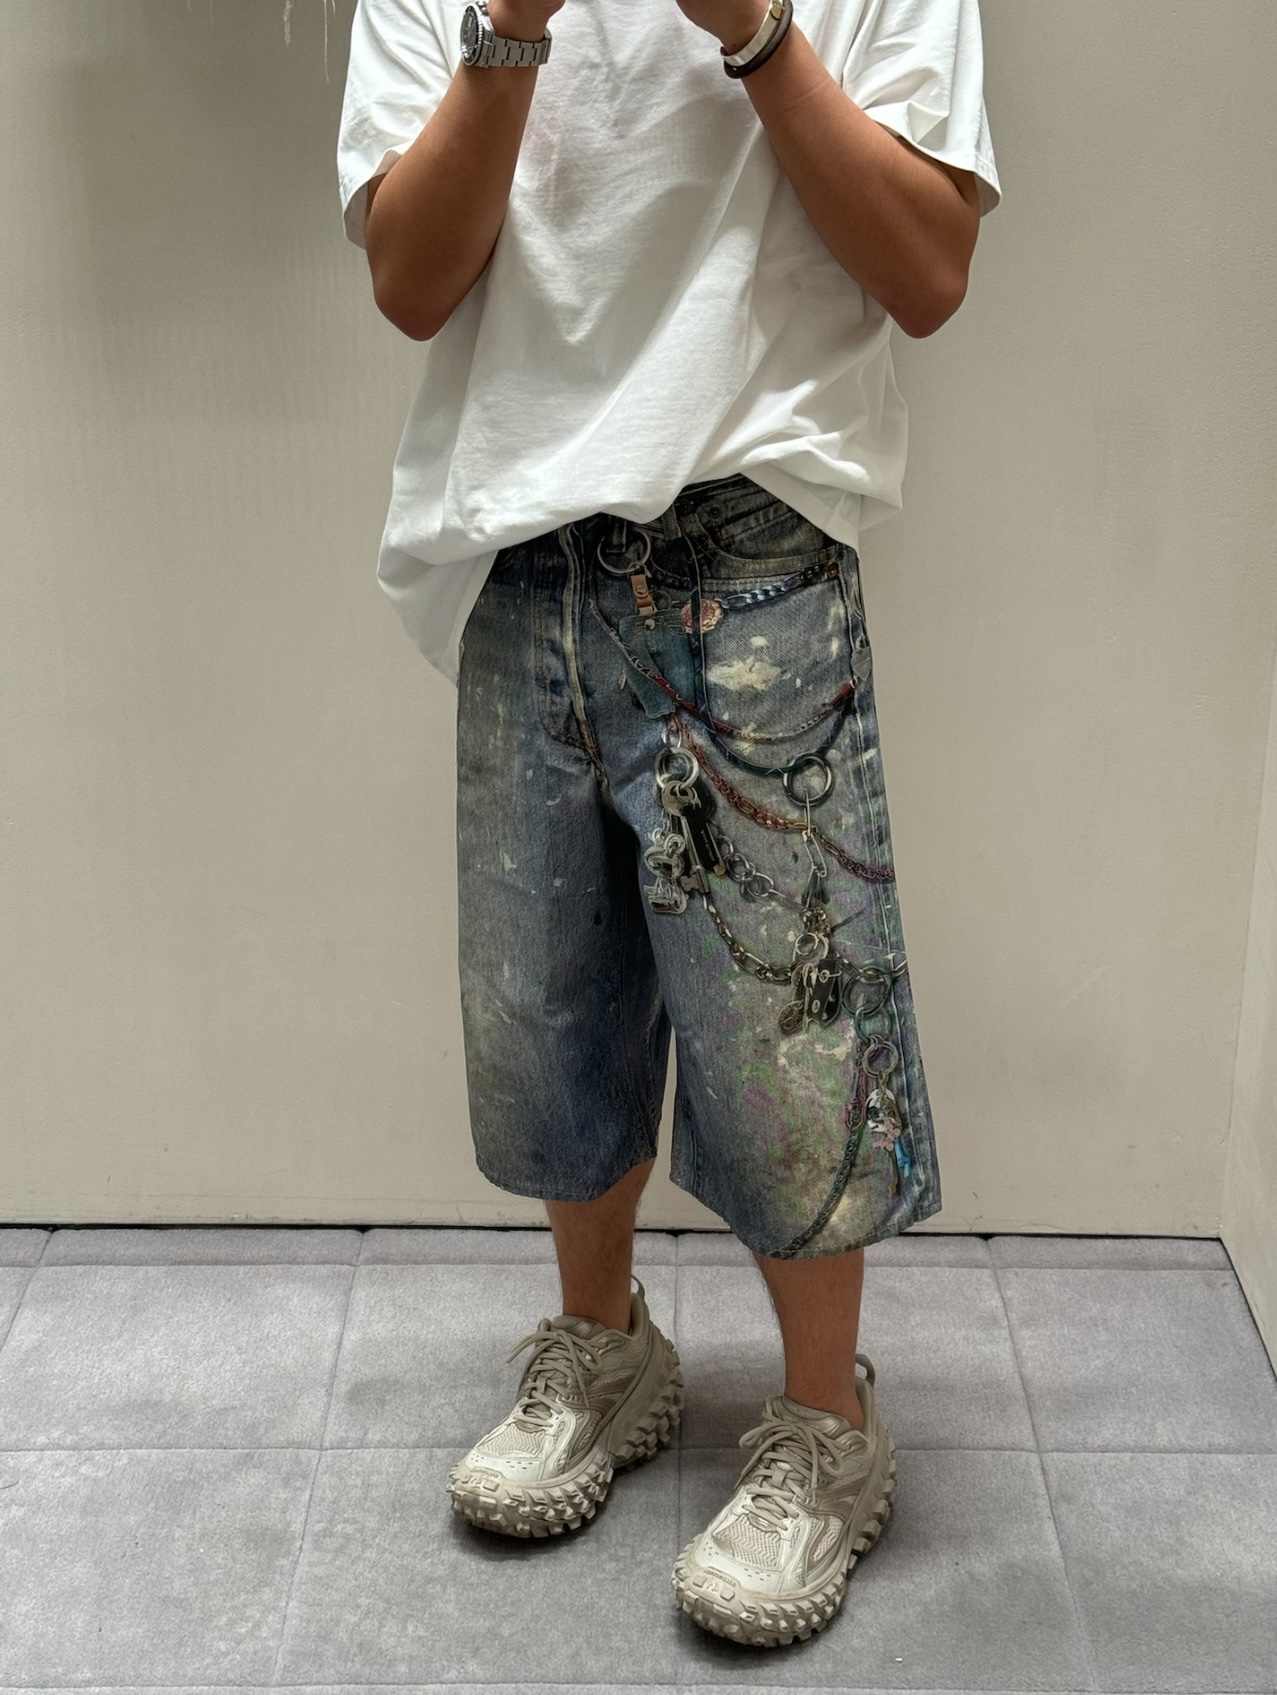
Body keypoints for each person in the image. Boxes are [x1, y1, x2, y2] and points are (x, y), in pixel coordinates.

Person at [337, 0, 1000, 1648]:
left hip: (757, 547)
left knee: (788, 1034)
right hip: (524, 547)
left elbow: (927, 271)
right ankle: (605, 1348)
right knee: (546, 1009)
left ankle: (826, 1425)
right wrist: (507, 29)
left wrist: (754, 31)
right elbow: (411, 281)